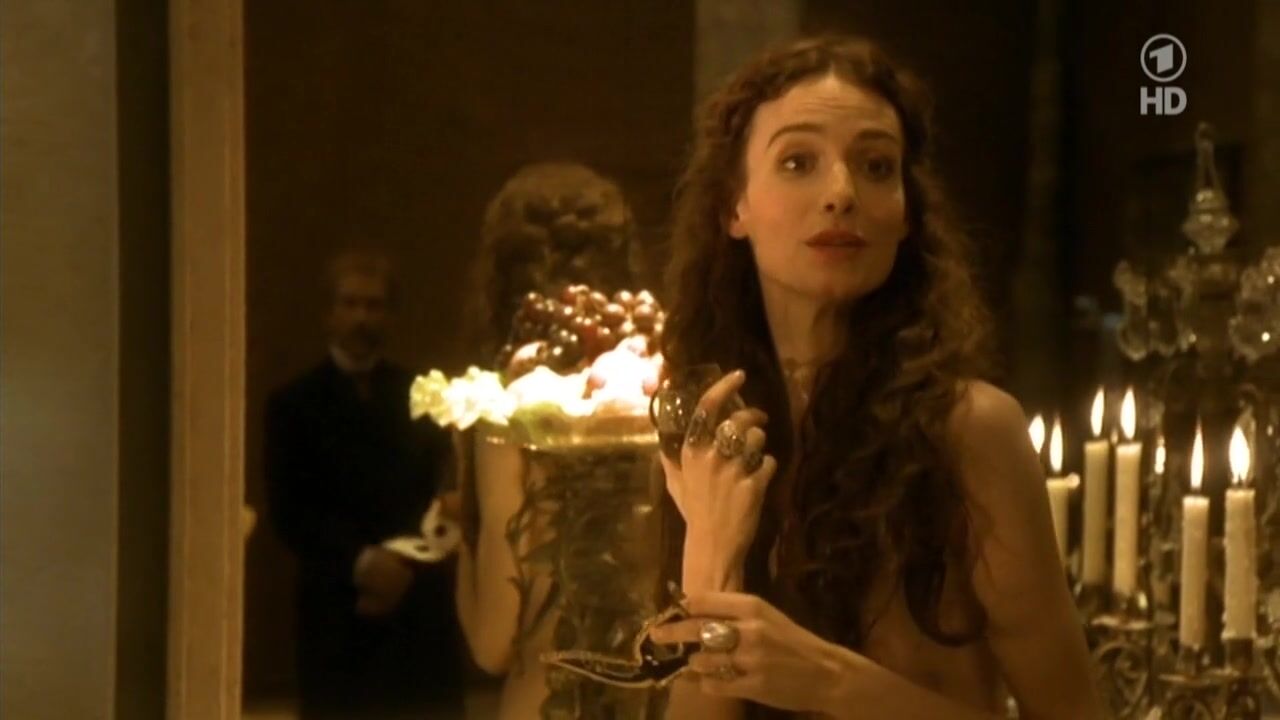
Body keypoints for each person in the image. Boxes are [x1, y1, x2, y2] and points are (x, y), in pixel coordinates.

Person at [645, 37, 1103, 718]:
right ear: (733, 206)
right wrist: (712, 560)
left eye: (876, 166)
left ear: (906, 212)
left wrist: (828, 679)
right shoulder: (711, 427)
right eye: (798, 162)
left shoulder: (968, 431)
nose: (841, 194)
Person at [265, 249, 464, 718]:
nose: (361, 317)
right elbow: (290, 510)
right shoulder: (292, 405)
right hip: (338, 612)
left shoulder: (422, 397)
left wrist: (406, 560)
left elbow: (441, 489)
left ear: (390, 316)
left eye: (374, 305)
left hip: (418, 609)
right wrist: (361, 562)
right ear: (329, 314)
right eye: (350, 303)